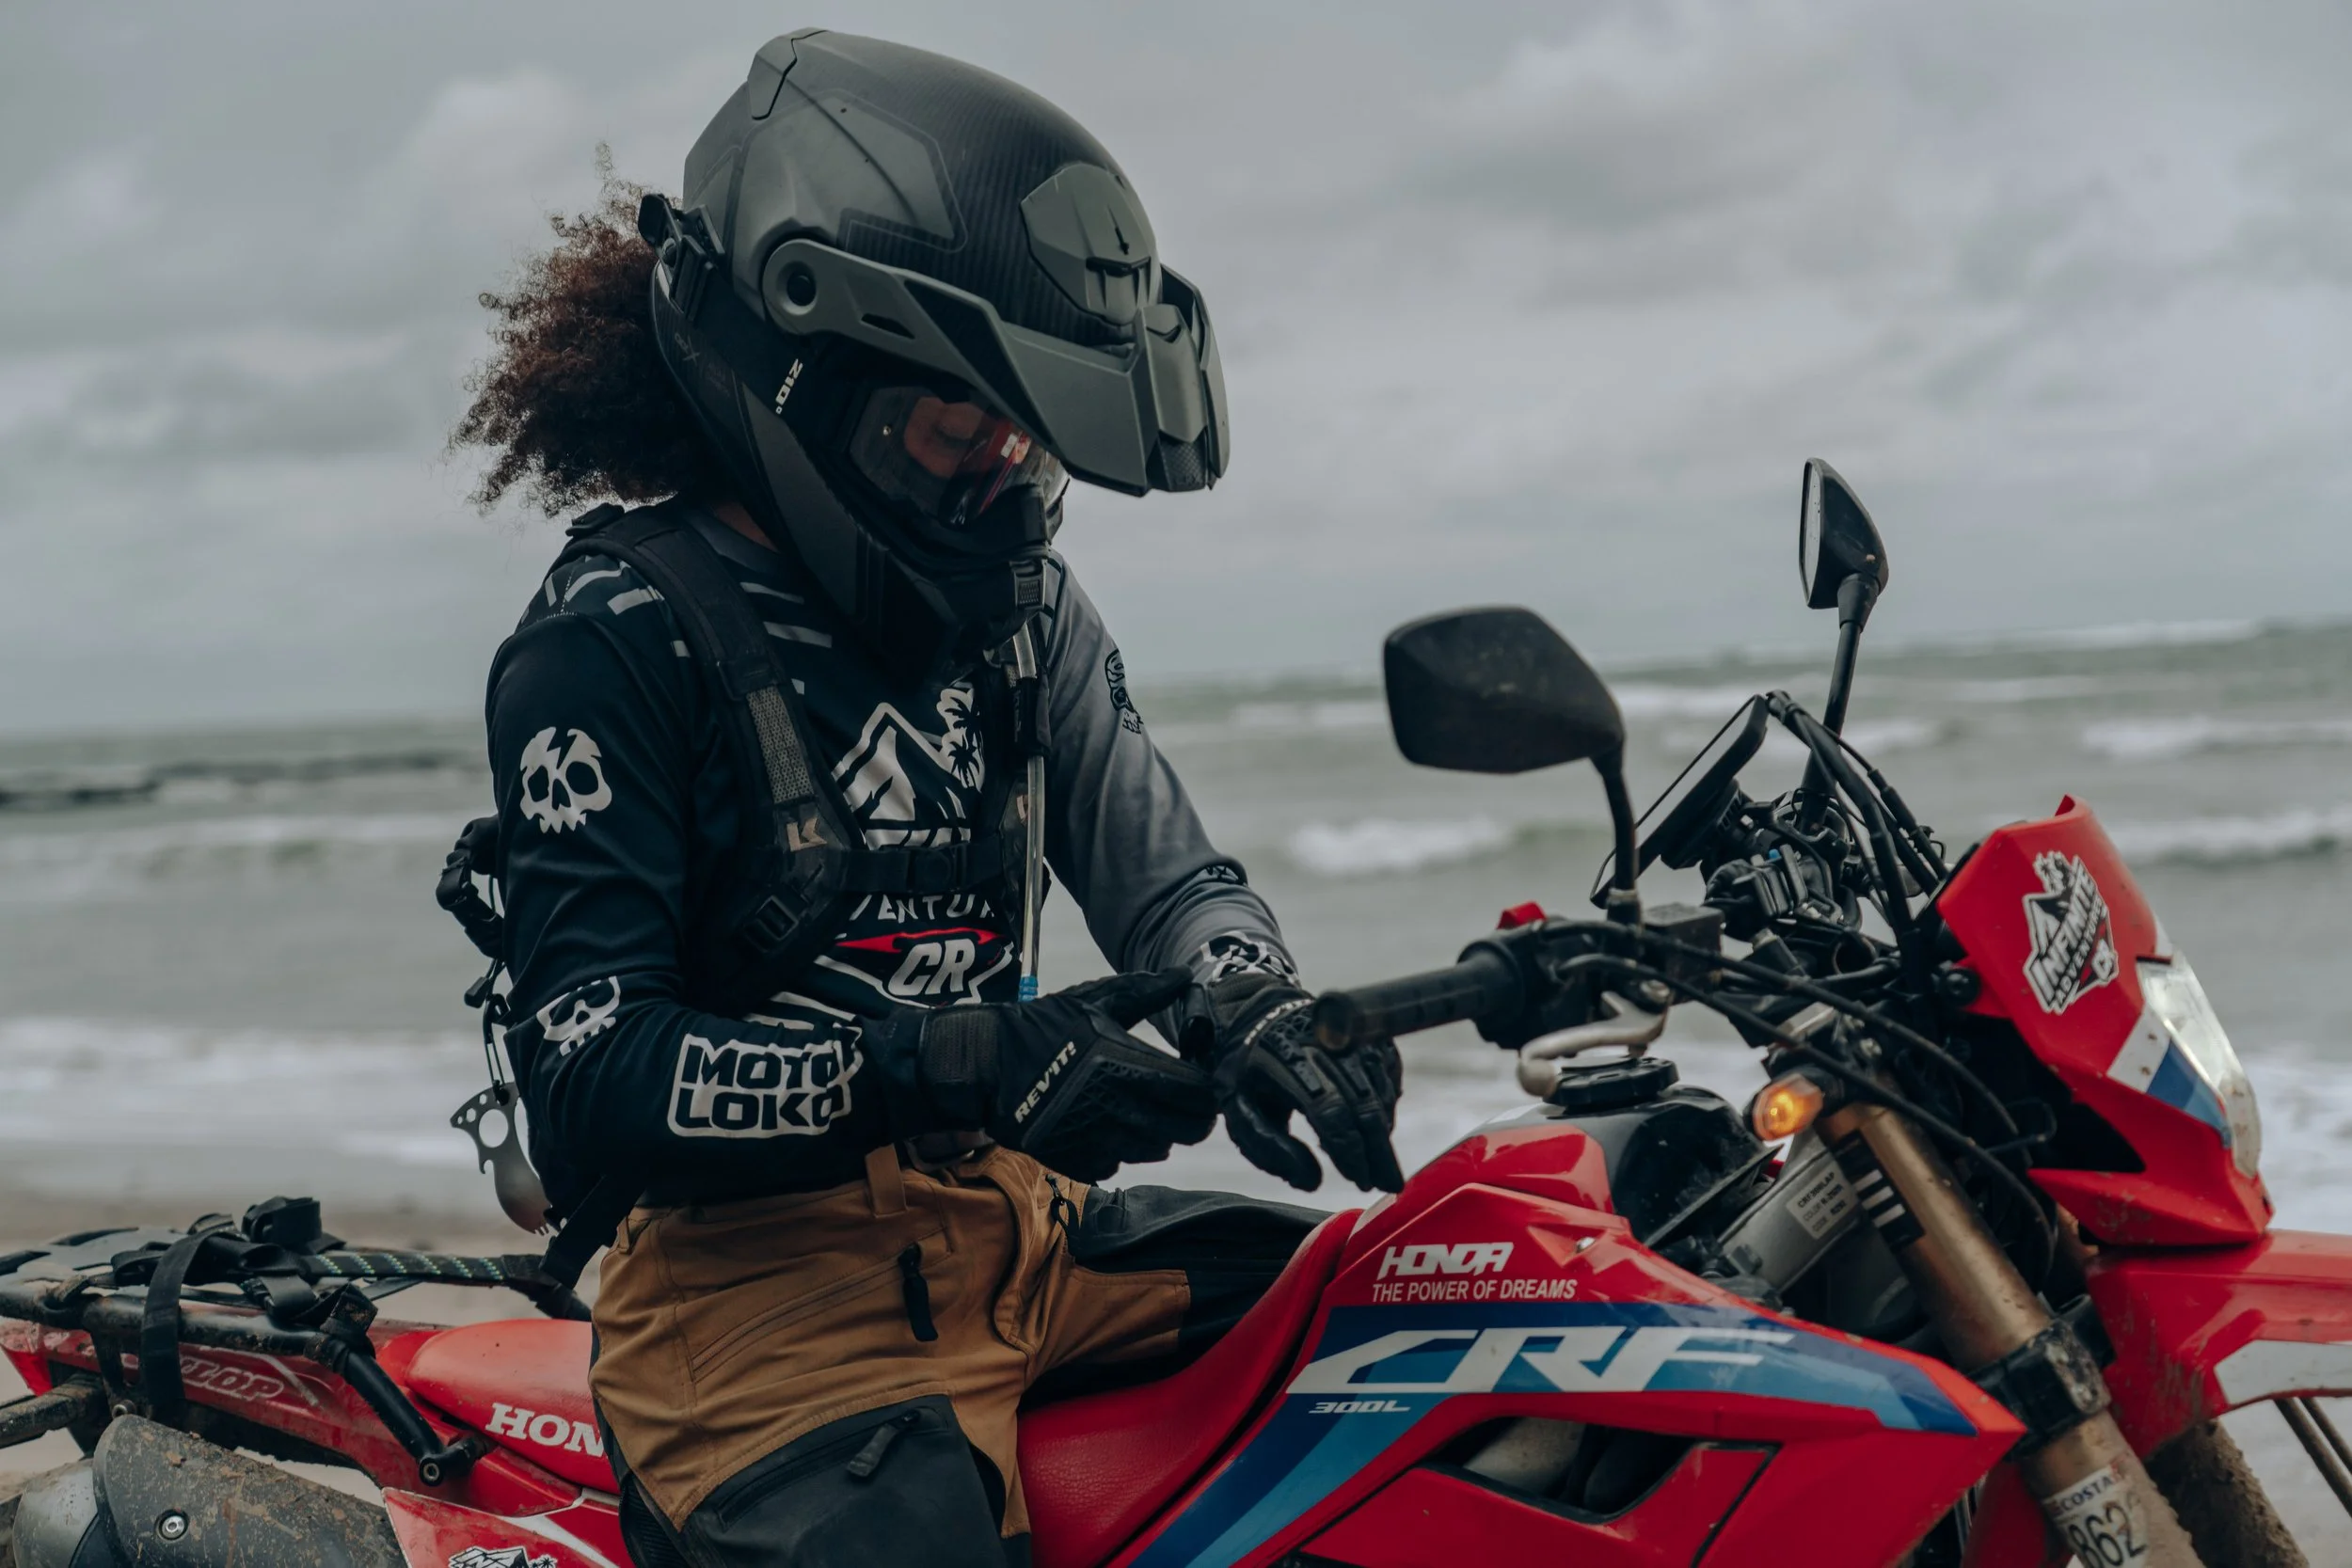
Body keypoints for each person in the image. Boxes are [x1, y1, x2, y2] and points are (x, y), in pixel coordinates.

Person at [446, 30, 1405, 1568]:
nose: (1001, 478)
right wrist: (956, 1060)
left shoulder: (1026, 609)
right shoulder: (611, 641)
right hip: (759, 1317)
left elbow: (1170, 882)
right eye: (960, 431)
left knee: (1446, 1338)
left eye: (1022, 437)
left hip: (1023, 1237)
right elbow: (593, 1080)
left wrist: (1259, 999)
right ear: (802, 385)